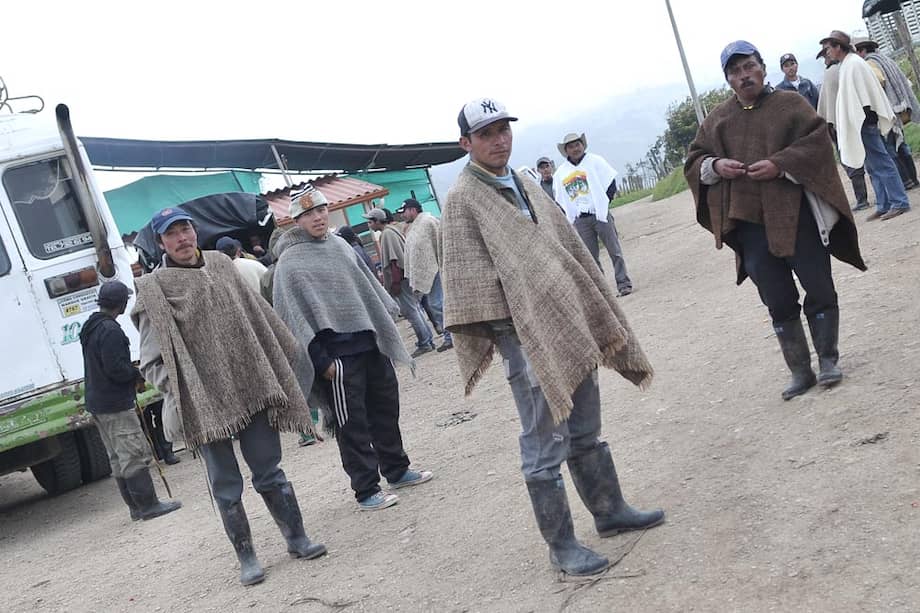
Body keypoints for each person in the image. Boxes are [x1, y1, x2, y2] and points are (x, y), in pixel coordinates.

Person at [441, 96, 663, 577]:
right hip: (524, 342)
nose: (500, 139)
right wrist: (516, 330)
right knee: (543, 441)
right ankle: (562, 546)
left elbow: (563, 246)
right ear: (467, 143)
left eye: (504, 129)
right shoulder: (463, 200)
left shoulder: (524, 182)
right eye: (487, 133)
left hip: (568, 326)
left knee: (585, 427)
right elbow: (467, 282)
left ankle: (609, 511)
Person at [133, 207, 326, 586]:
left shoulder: (223, 266)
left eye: (186, 229)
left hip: (251, 389)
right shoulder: (153, 292)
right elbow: (151, 361)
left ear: (195, 231)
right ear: (161, 243)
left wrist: (278, 360)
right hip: (205, 407)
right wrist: (184, 390)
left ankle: (297, 538)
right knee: (225, 484)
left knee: (269, 471)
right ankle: (247, 556)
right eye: (172, 234)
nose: (183, 239)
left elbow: (260, 320)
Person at [685, 40, 867, 401]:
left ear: (762, 67)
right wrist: (715, 166)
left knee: (818, 285)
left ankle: (828, 359)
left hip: (795, 214)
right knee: (777, 297)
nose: (744, 75)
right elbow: (694, 160)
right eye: (735, 71)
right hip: (749, 222)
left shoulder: (791, 105)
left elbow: (817, 142)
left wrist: (781, 164)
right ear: (728, 79)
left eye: (749, 66)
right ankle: (801, 371)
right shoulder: (718, 119)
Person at [271, 185, 433, 511]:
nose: (317, 217)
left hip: (369, 344)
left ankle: (397, 469)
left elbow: (366, 291)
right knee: (352, 424)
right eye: (308, 214)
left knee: (385, 410)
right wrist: (323, 362)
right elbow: (293, 321)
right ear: (297, 220)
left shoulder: (341, 246)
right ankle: (366, 489)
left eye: (320, 210)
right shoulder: (289, 263)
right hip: (336, 358)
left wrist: (380, 335)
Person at [79, 281, 182, 522]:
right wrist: (137, 375)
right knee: (132, 452)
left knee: (116, 456)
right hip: (114, 403)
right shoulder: (111, 330)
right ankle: (148, 506)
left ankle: (135, 508)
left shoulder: (91, 326)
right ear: (121, 304)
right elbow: (116, 369)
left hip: (97, 402)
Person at [818, 29, 910, 221]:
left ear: (838, 47)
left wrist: (863, 119)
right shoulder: (846, 65)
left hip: (865, 122)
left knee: (882, 162)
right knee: (872, 166)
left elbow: (865, 95)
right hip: (859, 123)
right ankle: (884, 204)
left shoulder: (854, 64)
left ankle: (899, 201)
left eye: (829, 48)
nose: (827, 52)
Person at [552, 132, 634, 296]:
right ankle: (603, 292)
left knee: (614, 250)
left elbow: (610, 182)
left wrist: (604, 203)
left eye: (577, 144)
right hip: (581, 220)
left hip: (600, 215)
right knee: (591, 257)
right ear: (566, 150)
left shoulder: (595, 161)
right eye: (571, 146)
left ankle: (623, 283)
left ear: (583, 145)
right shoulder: (561, 173)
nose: (575, 148)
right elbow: (559, 197)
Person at [363, 207, 436, 356]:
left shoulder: (388, 234)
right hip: (404, 277)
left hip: (400, 279)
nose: (369, 224)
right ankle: (427, 338)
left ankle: (425, 341)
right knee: (415, 309)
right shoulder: (392, 230)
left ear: (377, 221)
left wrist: (395, 282)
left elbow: (394, 261)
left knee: (411, 311)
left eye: (370, 221)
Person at [854, 36, 920, 190]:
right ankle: (913, 178)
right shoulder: (884, 59)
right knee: (902, 145)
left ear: (862, 50)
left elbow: (880, 81)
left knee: (891, 147)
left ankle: (905, 181)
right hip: (898, 106)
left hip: (888, 110)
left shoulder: (870, 63)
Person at [816, 47, 871, 211]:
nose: (824, 60)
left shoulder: (832, 72)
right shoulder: (842, 69)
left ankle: (862, 199)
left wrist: (829, 123)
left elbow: (828, 104)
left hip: (840, 123)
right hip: (850, 119)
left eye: (825, 56)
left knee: (849, 159)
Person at [397, 198, 452, 352]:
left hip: (436, 267)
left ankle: (451, 336)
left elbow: (441, 242)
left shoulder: (428, 221)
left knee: (438, 303)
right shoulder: (413, 227)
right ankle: (450, 336)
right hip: (428, 270)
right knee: (436, 304)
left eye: (404, 212)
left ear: (413, 210)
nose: (403, 215)